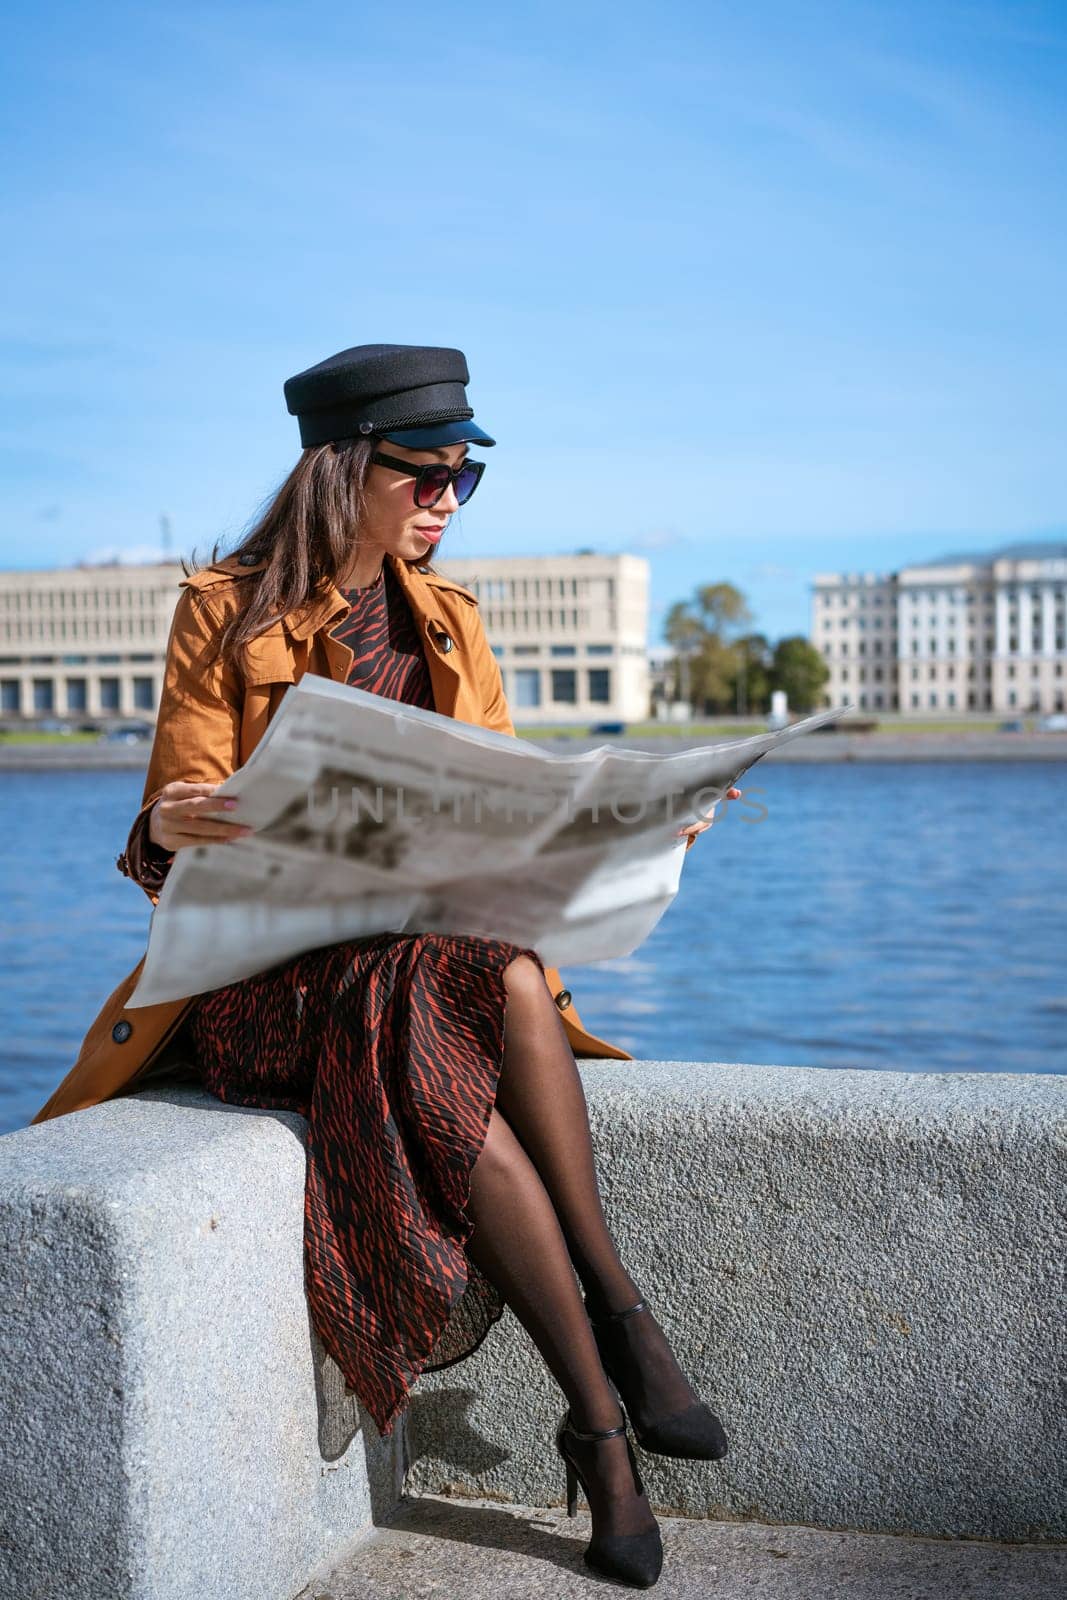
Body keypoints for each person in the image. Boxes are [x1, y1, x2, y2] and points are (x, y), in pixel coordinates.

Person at [38, 344, 735, 1590]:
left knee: (494, 973)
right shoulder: (224, 606)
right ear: (345, 468)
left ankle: (603, 1411)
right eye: (427, 476)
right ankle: (617, 1352)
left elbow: (507, 814)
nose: (447, 502)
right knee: (450, 984)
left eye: (468, 478)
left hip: (413, 970)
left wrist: (623, 825)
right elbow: (160, 837)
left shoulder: (453, 621)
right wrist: (175, 824)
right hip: (262, 985)